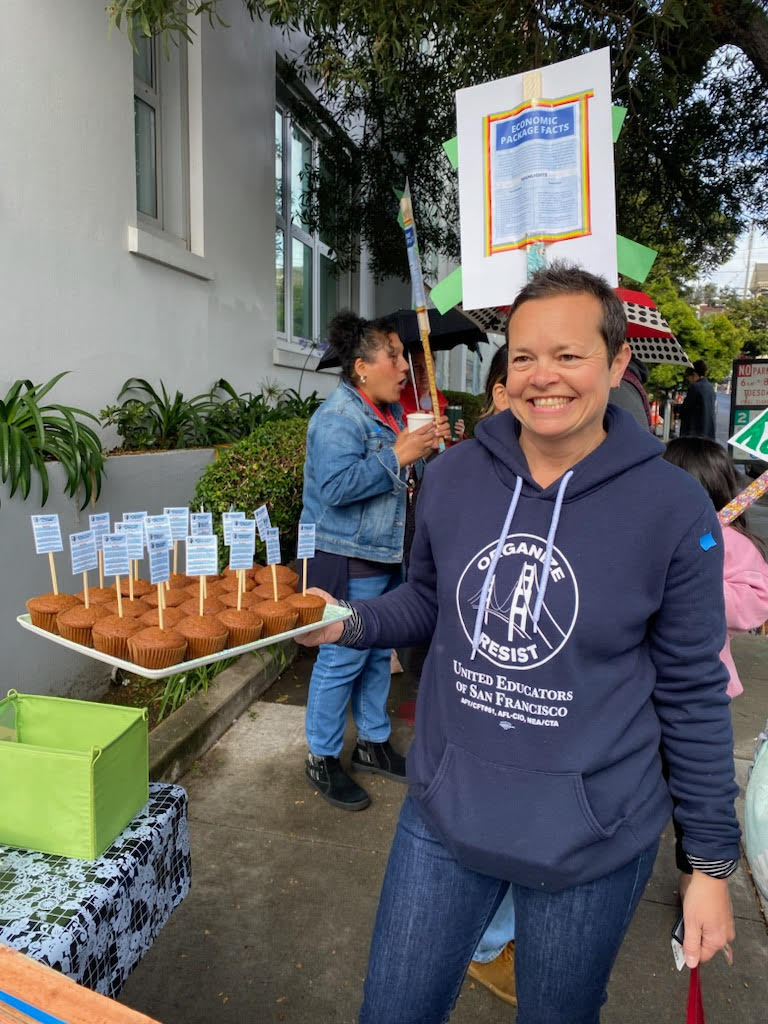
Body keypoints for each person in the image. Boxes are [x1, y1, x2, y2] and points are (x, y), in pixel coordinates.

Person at [299, 265, 739, 1024]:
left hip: (592, 836)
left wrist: (708, 863)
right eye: (526, 356)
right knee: (392, 1011)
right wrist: (350, 621)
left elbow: (692, 691)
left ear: (616, 362)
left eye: (569, 355)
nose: (544, 378)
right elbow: (433, 600)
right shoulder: (456, 476)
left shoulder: (669, 506)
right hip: (447, 810)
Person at [300, 311, 439, 811]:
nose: (404, 366)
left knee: (380, 650)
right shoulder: (339, 418)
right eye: (395, 355)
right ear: (362, 367)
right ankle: (322, 755)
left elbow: (403, 477)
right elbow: (335, 489)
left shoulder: (392, 413)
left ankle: (374, 743)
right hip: (344, 556)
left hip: (384, 552)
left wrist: (427, 445)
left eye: (404, 355)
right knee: (342, 657)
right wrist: (398, 456)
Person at [400, 347, 465, 443]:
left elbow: (448, 443)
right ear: (407, 370)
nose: (424, 372)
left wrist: (458, 436)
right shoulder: (399, 403)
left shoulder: (440, 399)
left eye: (428, 365)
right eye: (417, 366)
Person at [679, 359, 717, 438]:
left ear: (694, 374)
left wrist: (676, 407)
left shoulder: (695, 387)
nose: (688, 380)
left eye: (688, 377)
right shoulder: (710, 387)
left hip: (695, 433)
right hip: (708, 432)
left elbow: (686, 408)